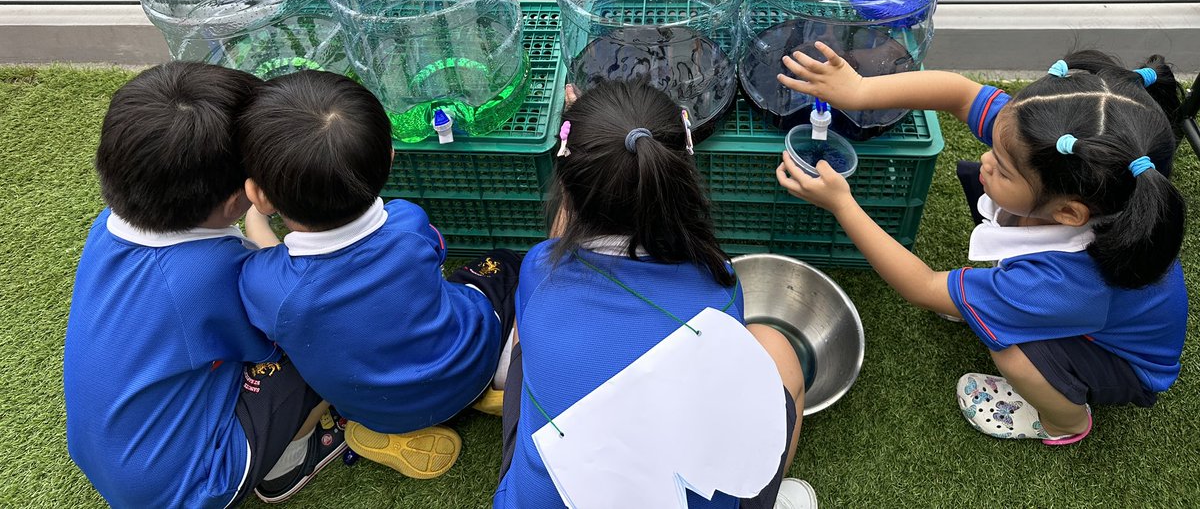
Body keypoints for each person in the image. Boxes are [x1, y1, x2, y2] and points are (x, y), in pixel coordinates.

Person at [776, 45, 1188, 444]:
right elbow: (960, 94)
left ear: (1068, 213)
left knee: (1010, 351)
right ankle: (993, 297)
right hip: (1087, 305)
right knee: (983, 185)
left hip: (1119, 360)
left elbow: (923, 288)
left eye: (1005, 169)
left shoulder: (1058, 281)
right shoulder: (1060, 149)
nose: (989, 158)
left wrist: (841, 203)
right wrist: (861, 91)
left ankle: (1064, 420)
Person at [495, 80, 817, 509]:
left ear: (567, 192)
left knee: (529, 330)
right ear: (677, 176)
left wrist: (592, 147)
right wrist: (599, 146)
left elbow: (559, 247)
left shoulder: (538, 270)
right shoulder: (717, 284)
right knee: (777, 350)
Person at [64, 62, 344, 509]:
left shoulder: (111, 224)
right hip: (191, 485)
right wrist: (270, 227)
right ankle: (288, 460)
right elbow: (296, 314)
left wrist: (252, 221)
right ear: (240, 196)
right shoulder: (214, 274)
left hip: (115, 457)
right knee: (326, 337)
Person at [236, 70, 519, 479]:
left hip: (377, 410)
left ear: (260, 194)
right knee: (503, 264)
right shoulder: (407, 223)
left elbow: (274, 269)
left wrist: (255, 220)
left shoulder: (266, 285)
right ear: (389, 156)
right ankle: (500, 382)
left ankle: (391, 433)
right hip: (472, 361)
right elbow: (432, 255)